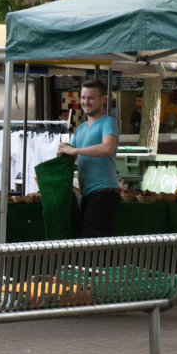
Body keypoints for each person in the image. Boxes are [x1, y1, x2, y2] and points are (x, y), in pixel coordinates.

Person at [57, 79, 120, 238]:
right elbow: (70, 156)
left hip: (103, 193)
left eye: (91, 98)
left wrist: (75, 150)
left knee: (91, 245)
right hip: (87, 195)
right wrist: (62, 152)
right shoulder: (80, 129)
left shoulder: (108, 122)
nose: (86, 102)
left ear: (103, 99)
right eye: (83, 97)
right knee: (96, 246)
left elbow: (107, 147)